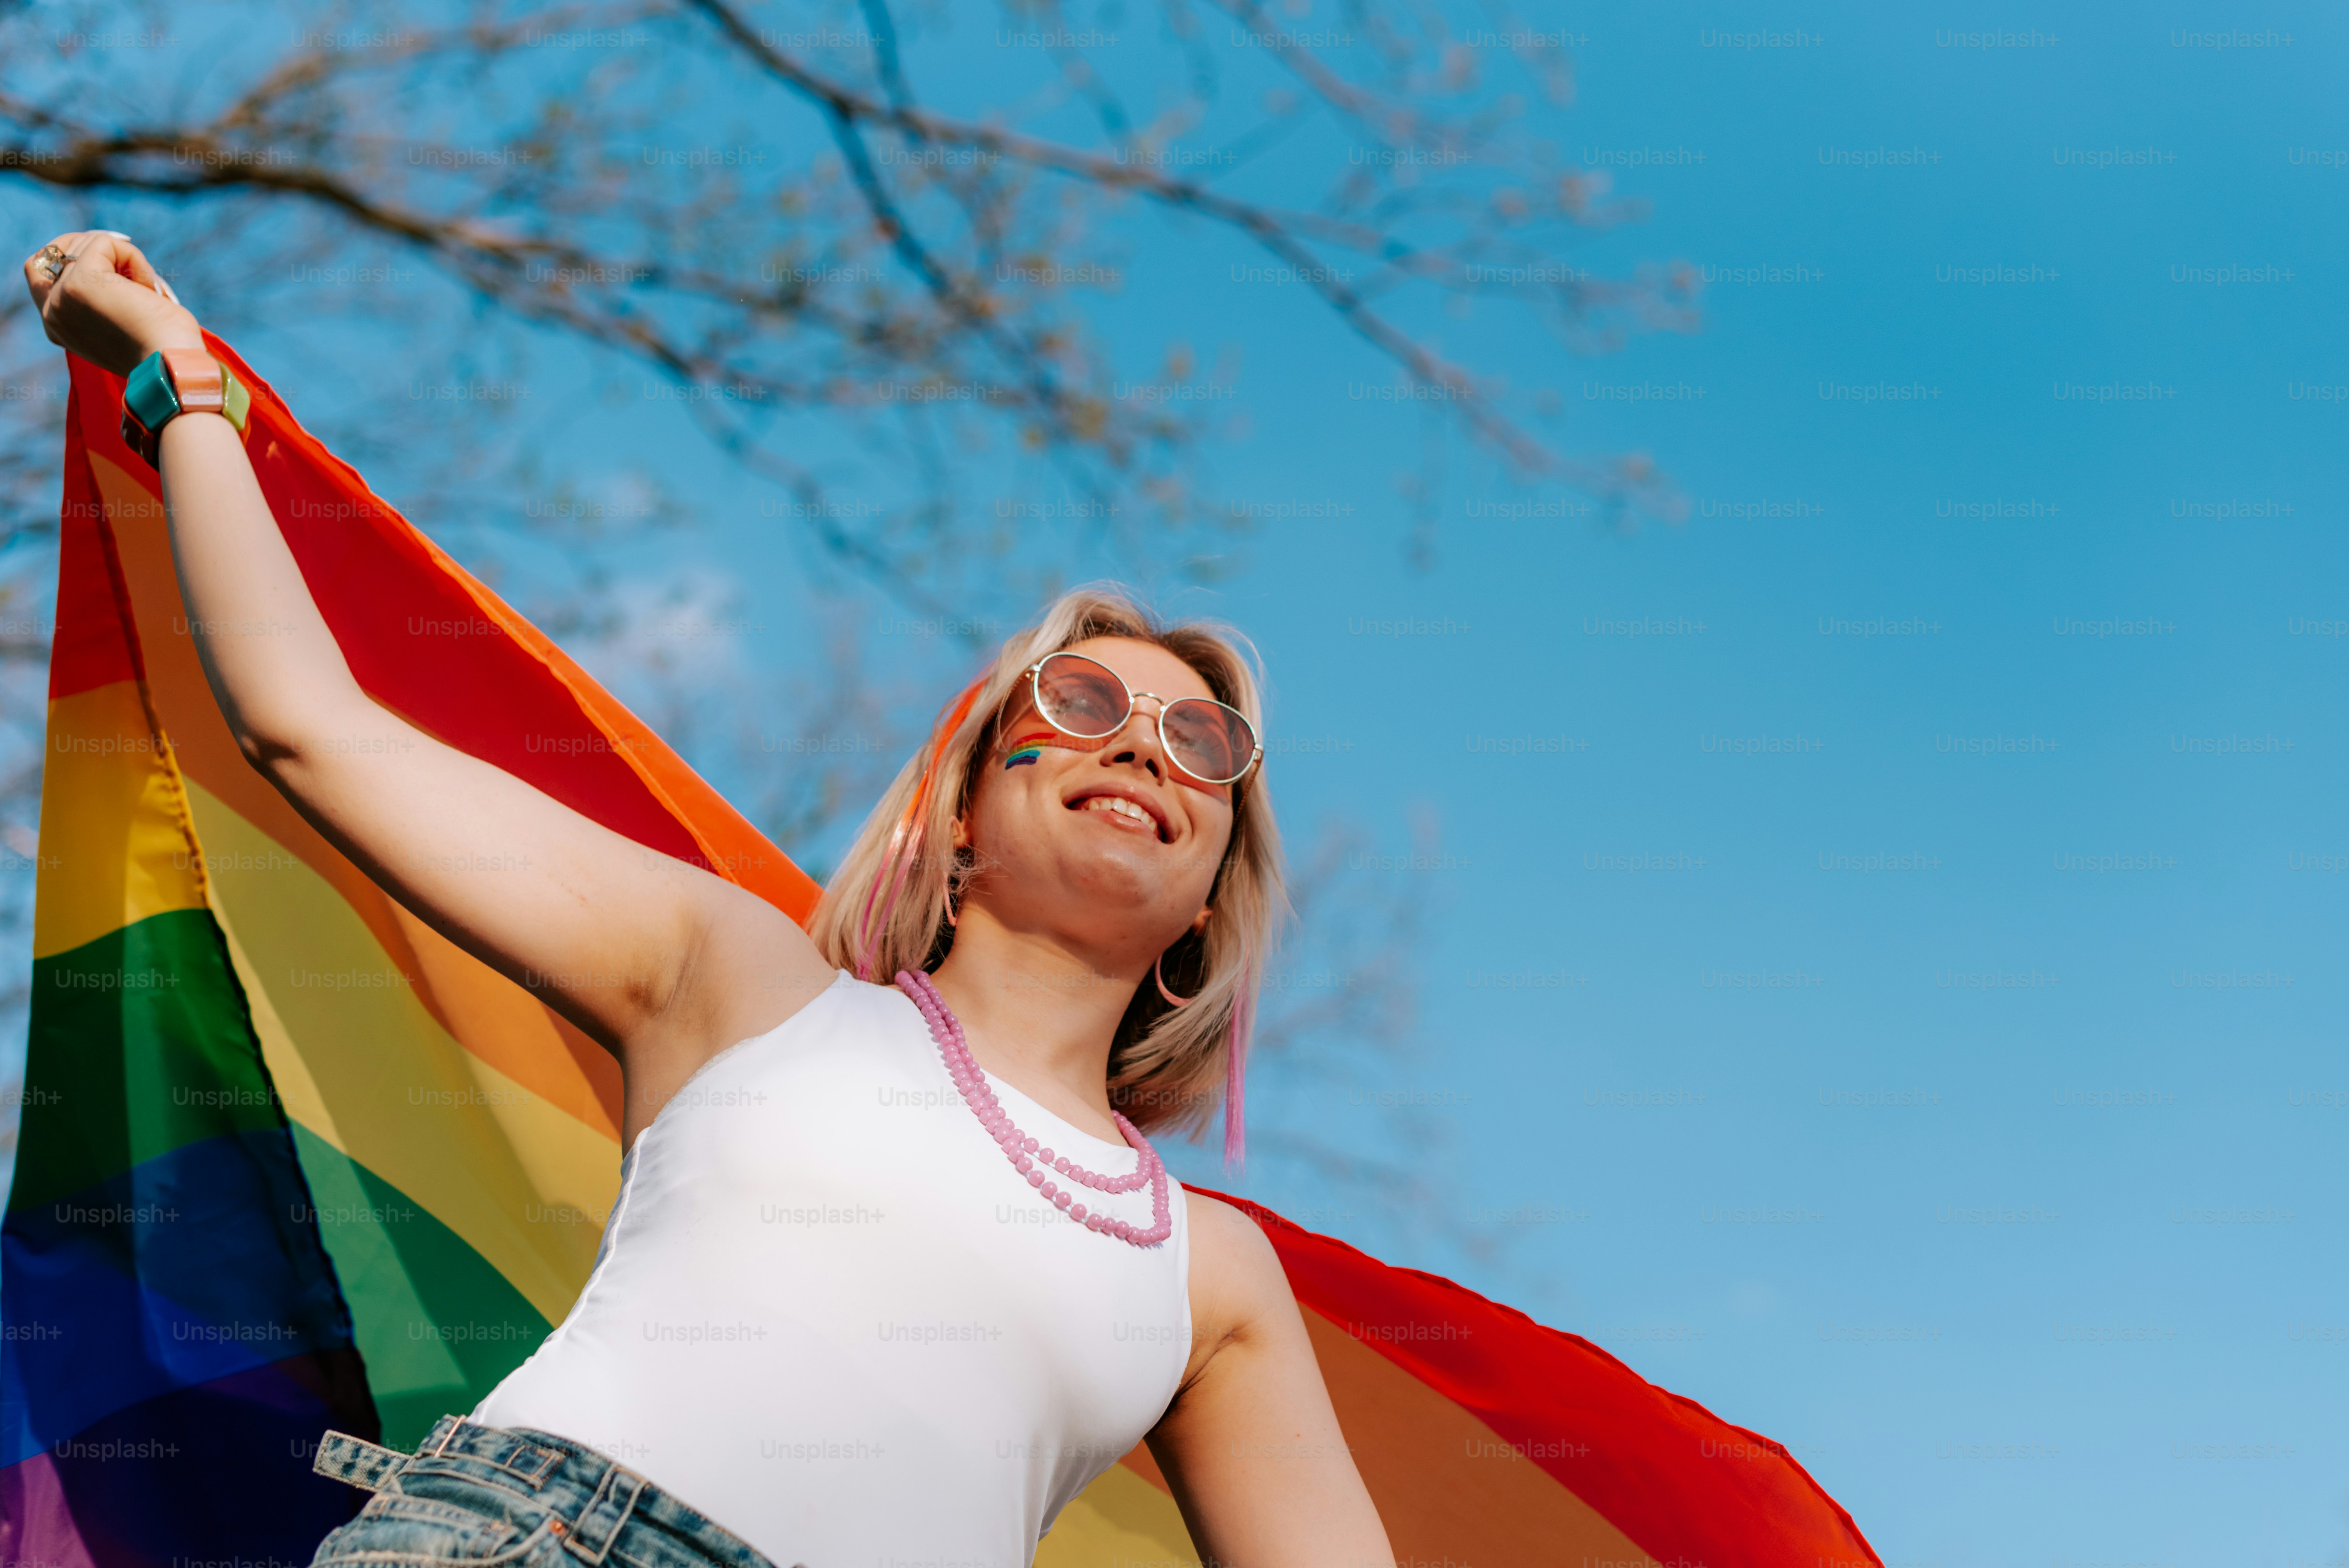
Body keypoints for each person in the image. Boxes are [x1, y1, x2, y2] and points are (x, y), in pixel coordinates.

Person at [23, 232, 1394, 1568]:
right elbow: (307, 725)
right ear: (963, 810)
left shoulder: (1207, 1280)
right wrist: (182, 386)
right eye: (1082, 703)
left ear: (1215, 899)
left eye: (1205, 746)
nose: (1145, 745)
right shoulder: (737, 978)